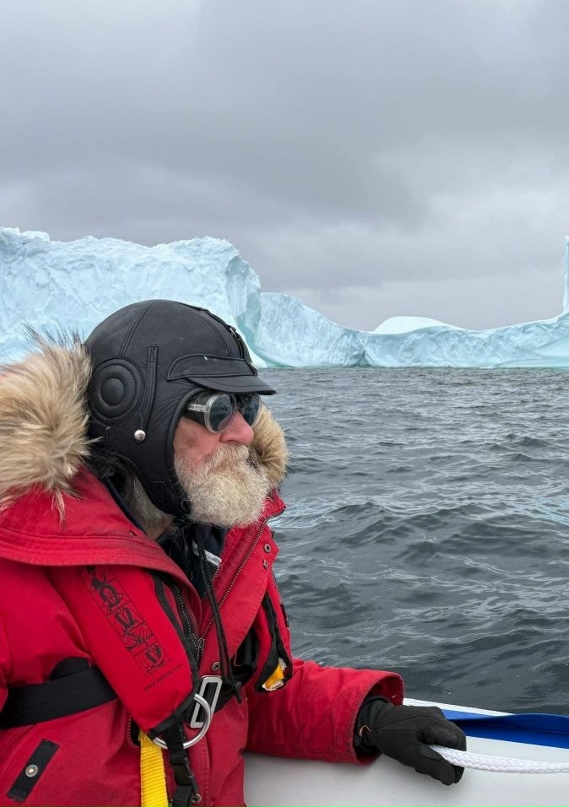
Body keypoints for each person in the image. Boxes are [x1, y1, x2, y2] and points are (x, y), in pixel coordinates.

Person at [0, 300, 466, 806]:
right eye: (219, 410)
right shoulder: (14, 574)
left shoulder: (214, 546)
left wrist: (366, 718)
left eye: (246, 408)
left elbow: (230, 696)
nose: (243, 432)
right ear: (136, 413)